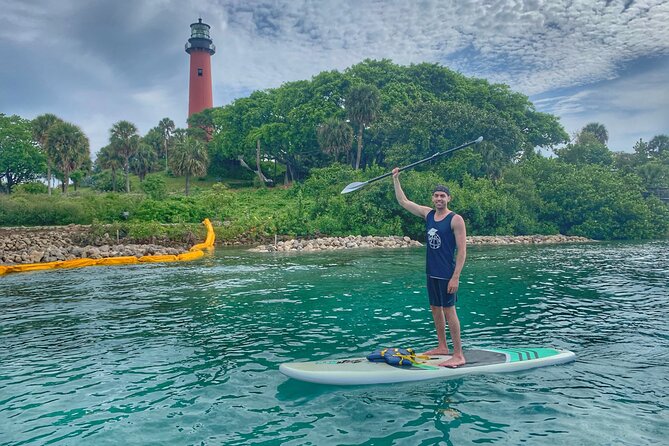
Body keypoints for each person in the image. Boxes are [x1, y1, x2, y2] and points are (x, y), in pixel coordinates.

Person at [392, 168, 467, 368]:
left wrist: (456, 277)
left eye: (443, 196)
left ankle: (458, 354)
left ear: (449, 198)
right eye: (436, 196)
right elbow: (404, 202)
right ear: (433, 198)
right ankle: (442, 346)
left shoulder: (456, 219)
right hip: (431, 272)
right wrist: (396, 179)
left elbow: (462, 251)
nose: (439, 198)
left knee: (449, 310)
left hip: (446, 274)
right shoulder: (428, 214)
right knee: (435, 308)